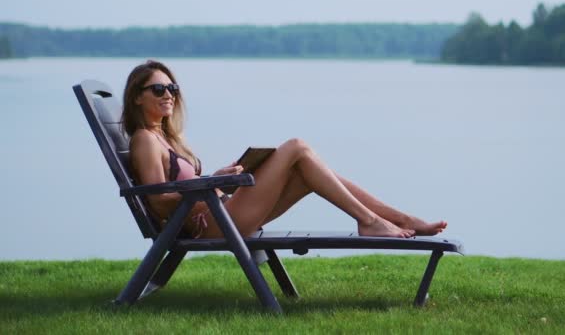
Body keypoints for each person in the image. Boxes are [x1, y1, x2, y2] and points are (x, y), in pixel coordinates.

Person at [121, 60, 447, 239]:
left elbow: (178, 190)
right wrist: (215, 182)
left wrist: (227, 176)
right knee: (296, 147)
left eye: (173, 88)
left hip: (224, 210)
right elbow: (157, 199)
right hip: (213, 225)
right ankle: (372, 221)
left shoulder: (167, 137)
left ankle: (396, 219)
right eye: (159, 89)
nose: (169, 94)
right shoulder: (145, 140)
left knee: (305, 170)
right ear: (137, 97)